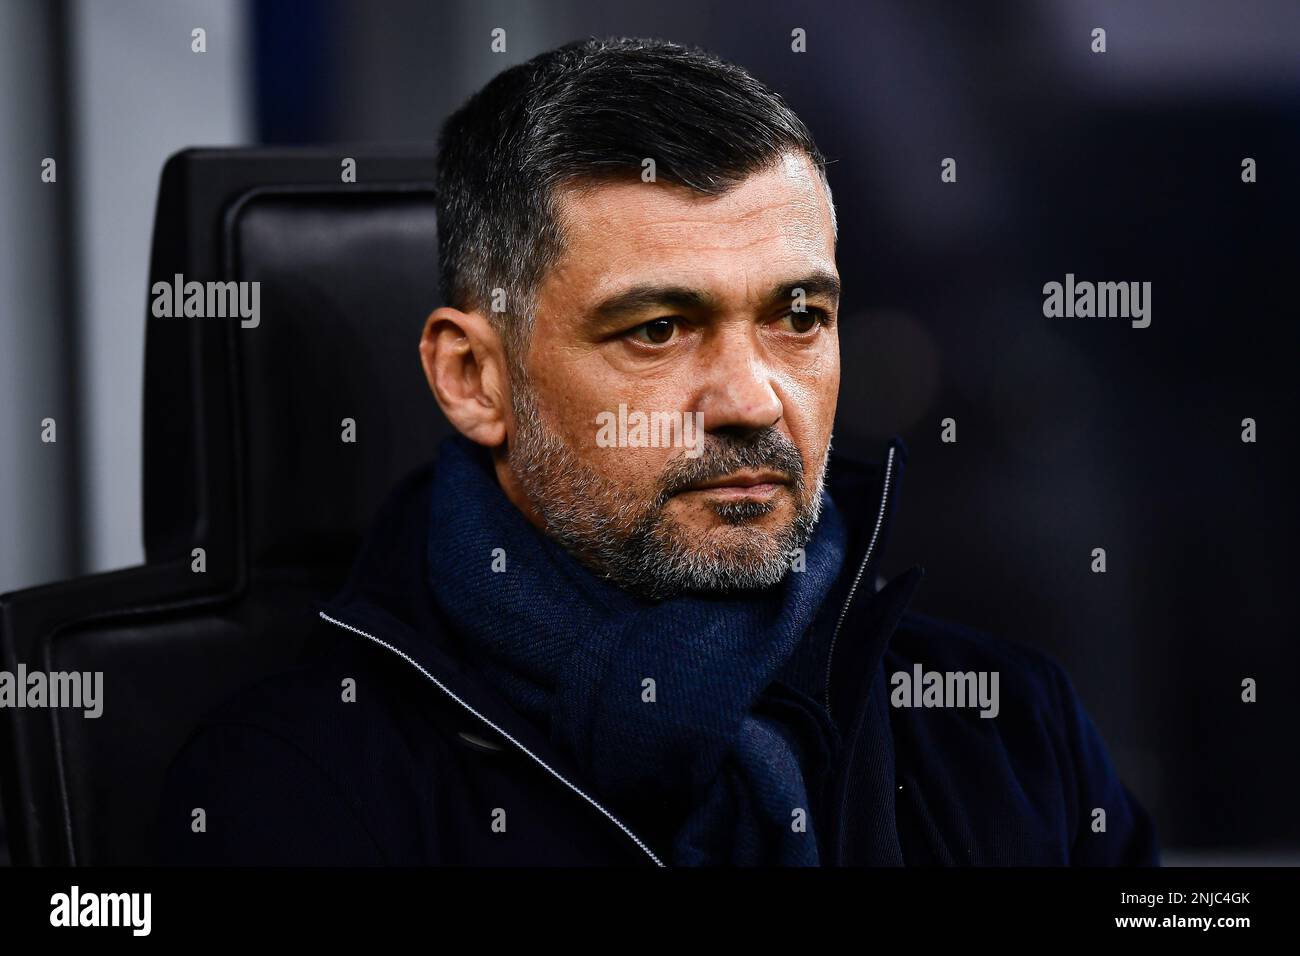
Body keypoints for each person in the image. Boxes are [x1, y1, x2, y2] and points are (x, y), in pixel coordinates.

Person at [158, 36, 1158, 866]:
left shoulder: (1009, 729)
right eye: (656, 330)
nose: (753, 398)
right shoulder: (297, 793)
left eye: (798, 315)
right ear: (473, 378)